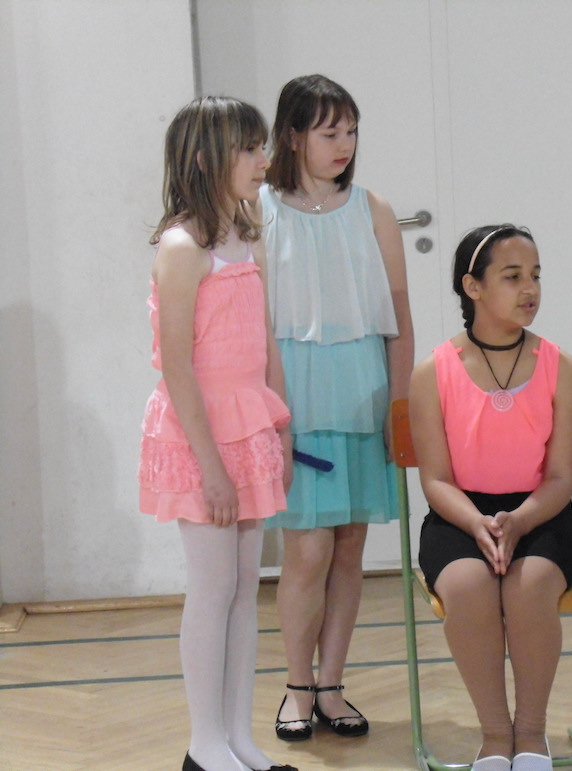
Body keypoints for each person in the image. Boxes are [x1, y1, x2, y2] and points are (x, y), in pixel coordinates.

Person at [138, 96, 297, 771]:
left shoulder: (249, 237)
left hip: (248, 426)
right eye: (249, 148)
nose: (263, 160)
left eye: (262, 147)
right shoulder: (182, 248)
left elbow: (266, 342)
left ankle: (237, 737)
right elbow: (177, 367)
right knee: (211, 587)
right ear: (206, 158)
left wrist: (280, 427)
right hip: (199, 435)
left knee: (242, 587)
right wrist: (210, 467)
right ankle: (203, 744)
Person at [259, 74, 414, 741]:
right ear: (294, 135)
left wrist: (399, 406)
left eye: (350, 131)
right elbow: (253, 323)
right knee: (307, 549)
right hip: (293, 395)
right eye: (329, 132)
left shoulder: (372, 208)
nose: (344, 144)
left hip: (363, 392)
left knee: (350, 547)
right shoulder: (259, 209)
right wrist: (268, 411)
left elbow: (398, 317)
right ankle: (297, 685)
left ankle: (332, 684)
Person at [409, 225, 572, 771]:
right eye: (512, 277)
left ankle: (530, 733)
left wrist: (520, 520)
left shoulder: (563, 367)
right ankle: (493, 734)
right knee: (468, 587)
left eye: (535, 275)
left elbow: (562, 475)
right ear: (474, 287)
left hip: (541, 513)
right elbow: (436, 480)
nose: (529, 288)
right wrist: (478, 524)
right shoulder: (433, 371)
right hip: (459, 516)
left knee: (529, 589)